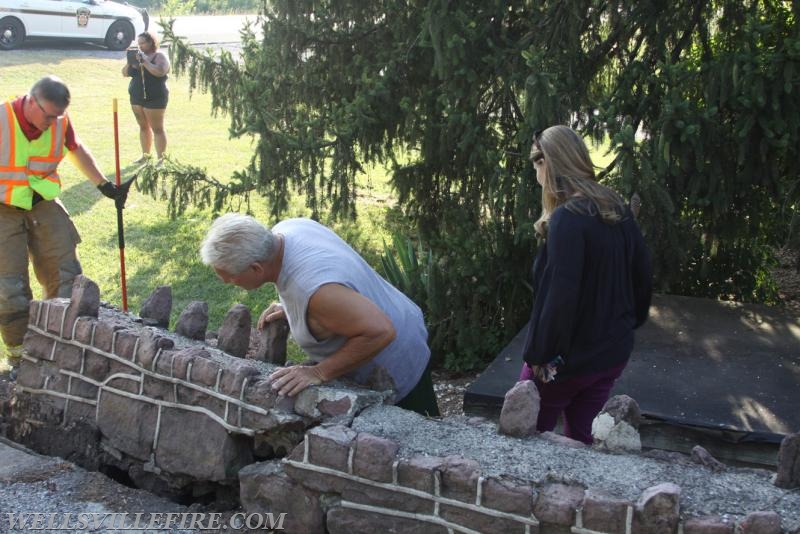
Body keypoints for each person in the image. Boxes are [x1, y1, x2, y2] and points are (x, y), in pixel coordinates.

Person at [200, 214, 440, 417]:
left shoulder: (315, 292)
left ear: (256, 268)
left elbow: (381, 331)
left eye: (229, 275)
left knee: (424, 440)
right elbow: (331, 279)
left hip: (397, 360)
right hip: (399, 313)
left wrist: (318, 372)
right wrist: (295, 310)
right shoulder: (288, 229)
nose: (226, 281)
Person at [519, 125, 652, 444]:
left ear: (545, 162)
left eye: (535, 161)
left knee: (526, 436)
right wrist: (626, 325)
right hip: (610, 355)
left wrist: (538, 360)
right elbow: (642, 275)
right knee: (580, 439)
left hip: (566, 363)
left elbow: (560, 297)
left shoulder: (568, 218)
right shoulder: (615, 206)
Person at [0, 75, 131, 363]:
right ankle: (21, 358)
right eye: (48, 116)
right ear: (30, 101)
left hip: (42, 201)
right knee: (9, 288)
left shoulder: (59, 121)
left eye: (57, 117)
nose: (52, 123)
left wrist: (104, 186)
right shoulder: (2, 119)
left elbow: (76, 149)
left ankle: (59, 345)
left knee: (67, 276)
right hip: (3, 208)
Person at [122, 31, 170, 166]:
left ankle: (161, 160)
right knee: (143, 127)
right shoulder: (137, 57)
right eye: (139, 44)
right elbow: (125, 73)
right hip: (137, 97)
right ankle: (145, 156)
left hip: (155, 98)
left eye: (143, 43)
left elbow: (160, 71)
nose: (140, 46)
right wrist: (129, 62)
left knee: (157, 129)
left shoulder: (160, 56)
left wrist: (144, 61)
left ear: (151, 43)